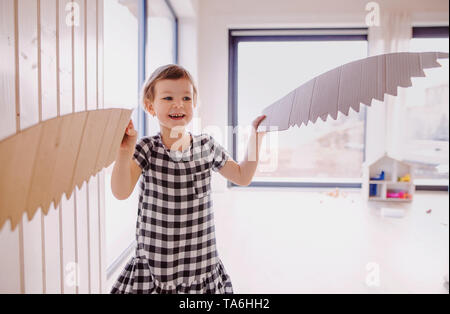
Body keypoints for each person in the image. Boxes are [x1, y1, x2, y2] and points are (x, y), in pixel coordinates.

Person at [110, 64, 266, 294]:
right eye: (168, 97)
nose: (178, 104)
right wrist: (123, 154)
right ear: (150, 106)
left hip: (200, 261)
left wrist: (256, 138)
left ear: (194, 104)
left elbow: (242, 176)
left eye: (186, 97)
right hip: (157, 263)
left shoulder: (206, 145)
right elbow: (121, 191)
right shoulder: (146, 148)